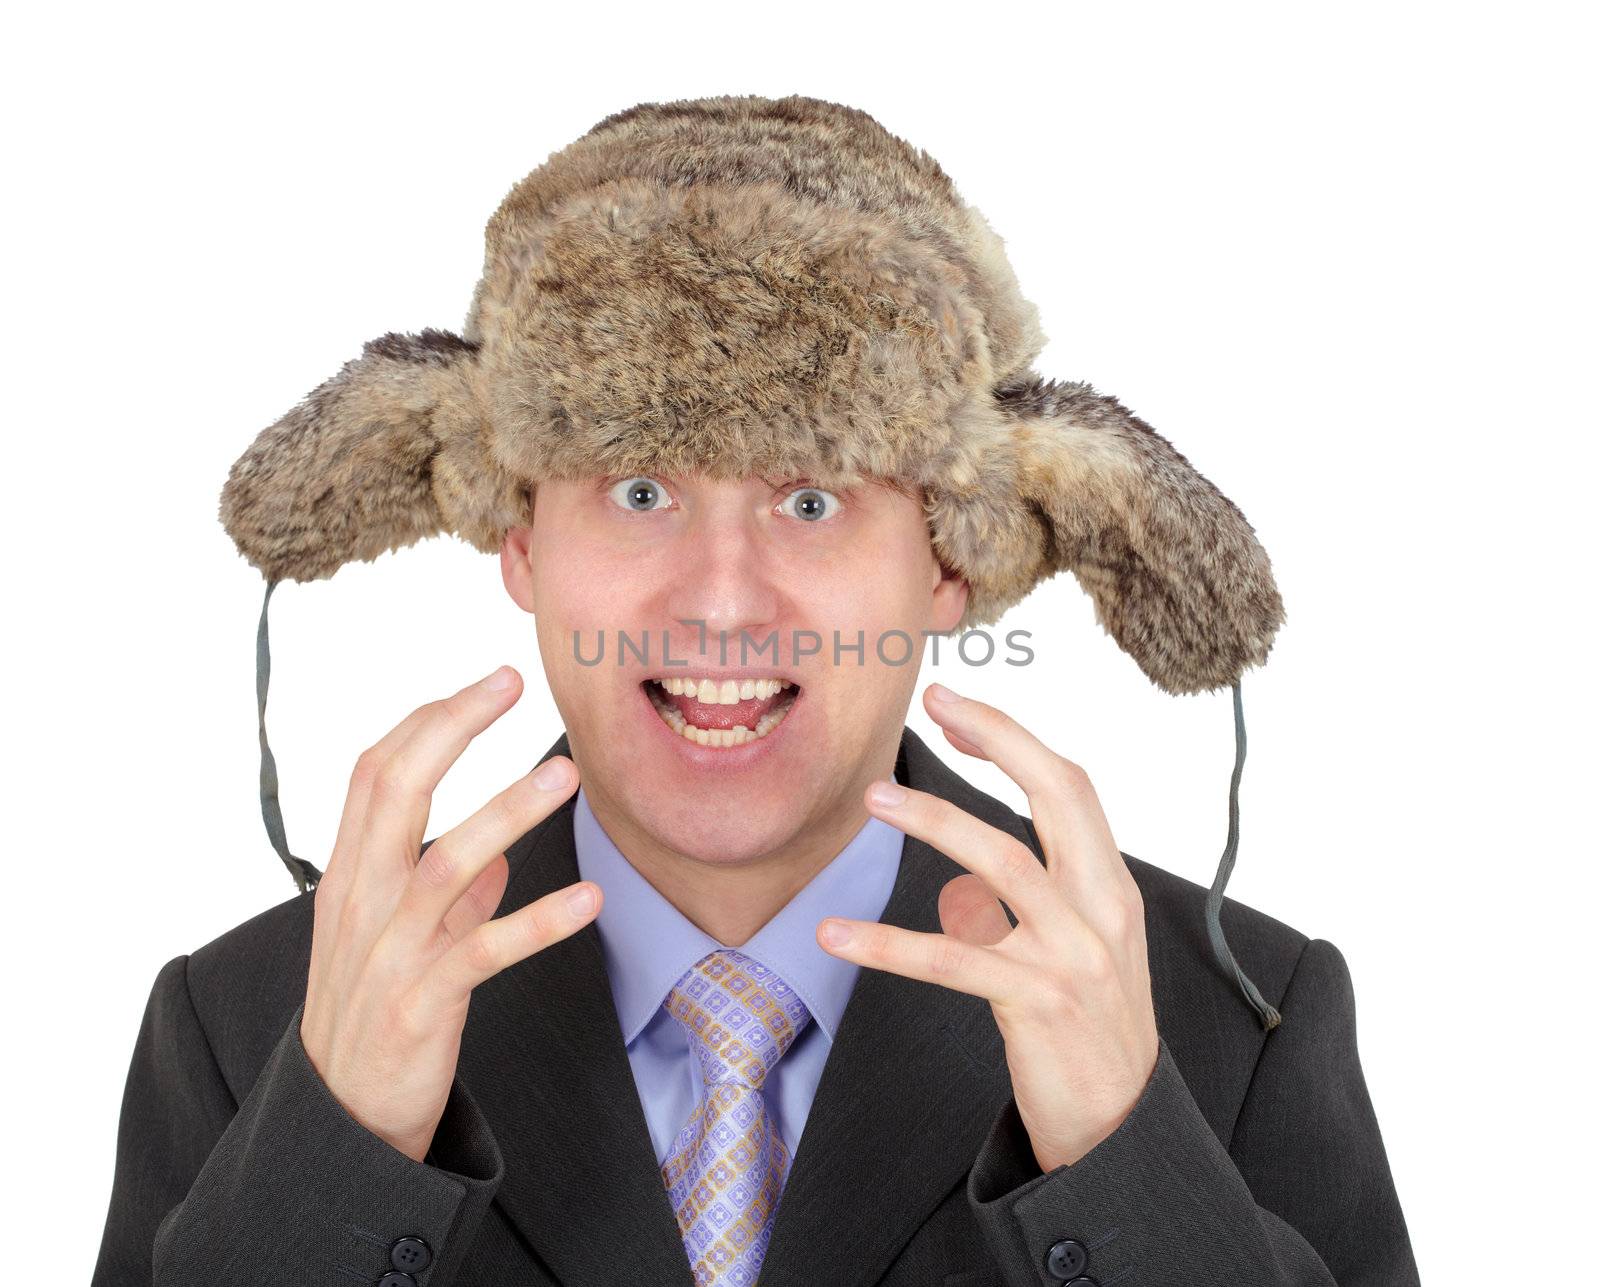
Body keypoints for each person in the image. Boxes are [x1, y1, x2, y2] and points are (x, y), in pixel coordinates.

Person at [93, 95, 1420, 1286]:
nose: (722, 598)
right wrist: (338, 1160)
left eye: (810, 495)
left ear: (954, 559)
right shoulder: (259, 1026)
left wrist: (1129, 1175)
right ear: (522, 542)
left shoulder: (1235, 1027)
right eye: (641, 489)